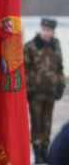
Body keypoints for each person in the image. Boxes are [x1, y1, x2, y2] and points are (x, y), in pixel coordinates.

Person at [24, 18, 65, 164]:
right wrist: (28, 89)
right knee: (36, 123)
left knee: (47, 123)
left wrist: (61, 86)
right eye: (45, 30)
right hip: (36, 92)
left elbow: (60, 67)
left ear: (53, 32)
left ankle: (44, 150)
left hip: (51, 91)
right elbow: (26, 70)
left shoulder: (56, 45)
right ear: (41, 29)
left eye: (50, 31)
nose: (47, 33)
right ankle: (37, 152)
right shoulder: (31, 46)